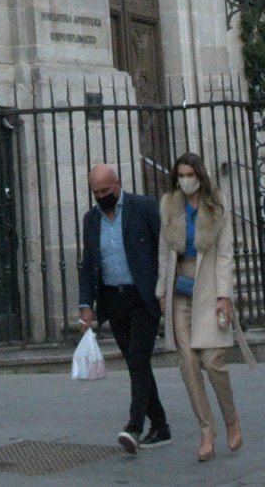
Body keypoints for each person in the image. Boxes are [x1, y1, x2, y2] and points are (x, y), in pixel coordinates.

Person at [156, 152, 254, 463]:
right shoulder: (169, 205)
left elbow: (225, 254)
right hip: (179, 293)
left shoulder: (217, 204)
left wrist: (224, 295)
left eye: (189, 174)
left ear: (200, 175)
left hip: (209, 290)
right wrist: (161, 291)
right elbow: (163, 253)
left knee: (213, 361)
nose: (185, 179)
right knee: (187, 362)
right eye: (180, 174)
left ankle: (230, 419)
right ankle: (206, 430)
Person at [78, 163, 170, 455]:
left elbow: (163, 250)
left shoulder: (143, 208)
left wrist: (164, 288)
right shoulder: (90, 220)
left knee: (138, 360)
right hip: (112, 299)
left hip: (143, 297)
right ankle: (161, 425)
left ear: (117, 184)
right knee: (135, 361)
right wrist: (86, 305)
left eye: (105, 190)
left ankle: (134, 427)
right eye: (95, 191)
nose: (100, 195)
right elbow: (88, 264)